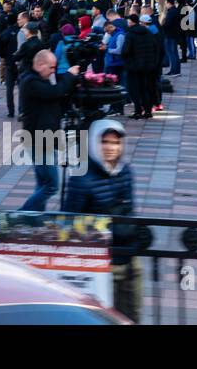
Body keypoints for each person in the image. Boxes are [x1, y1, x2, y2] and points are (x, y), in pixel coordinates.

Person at [61, 119, 142, 322]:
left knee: (132, 316)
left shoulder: (125, 172)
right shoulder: (81, 178)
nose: (110, 147)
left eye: (115, 143)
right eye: (105, 142)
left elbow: (130, 210)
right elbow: (68, 222)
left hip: (128, 259)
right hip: (100, 265)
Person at [18, 49, 81, 211]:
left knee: (42, 184)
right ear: (39, 65)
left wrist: (71, 80)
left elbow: (59, 94)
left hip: (45, 138)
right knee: (52, 185)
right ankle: (21, 215)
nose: (53, 71)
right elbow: (55, 92)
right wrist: (69, 75)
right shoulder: (30, 81)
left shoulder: (42, 78)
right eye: (51, 67)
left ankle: (35, 219)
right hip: (38, 140)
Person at [120, 13, 161, 120]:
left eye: (128, 22)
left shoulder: (130, 34)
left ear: (132, 22)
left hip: (134, 67)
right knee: (146, 88)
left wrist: (126, 61)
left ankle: (138, 110)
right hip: (148, 66)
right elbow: (156, 47)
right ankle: (147, 111)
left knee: (134, 89)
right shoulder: (148, 32)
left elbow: (125, 51)